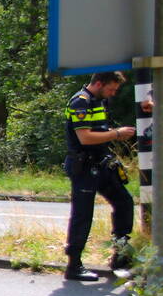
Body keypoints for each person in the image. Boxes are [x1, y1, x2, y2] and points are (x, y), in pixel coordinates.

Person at [62, 71, 144, 281]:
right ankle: (74, 265)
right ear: (98, 83)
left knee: (124, 202)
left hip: (102, 164)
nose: (113, 93)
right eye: (111, 89)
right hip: (84, 166)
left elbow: (100, 132)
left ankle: (121, 255)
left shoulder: (100, 101)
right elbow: (86, 137)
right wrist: (117, 133)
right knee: (83, 214)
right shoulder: (81, 102)